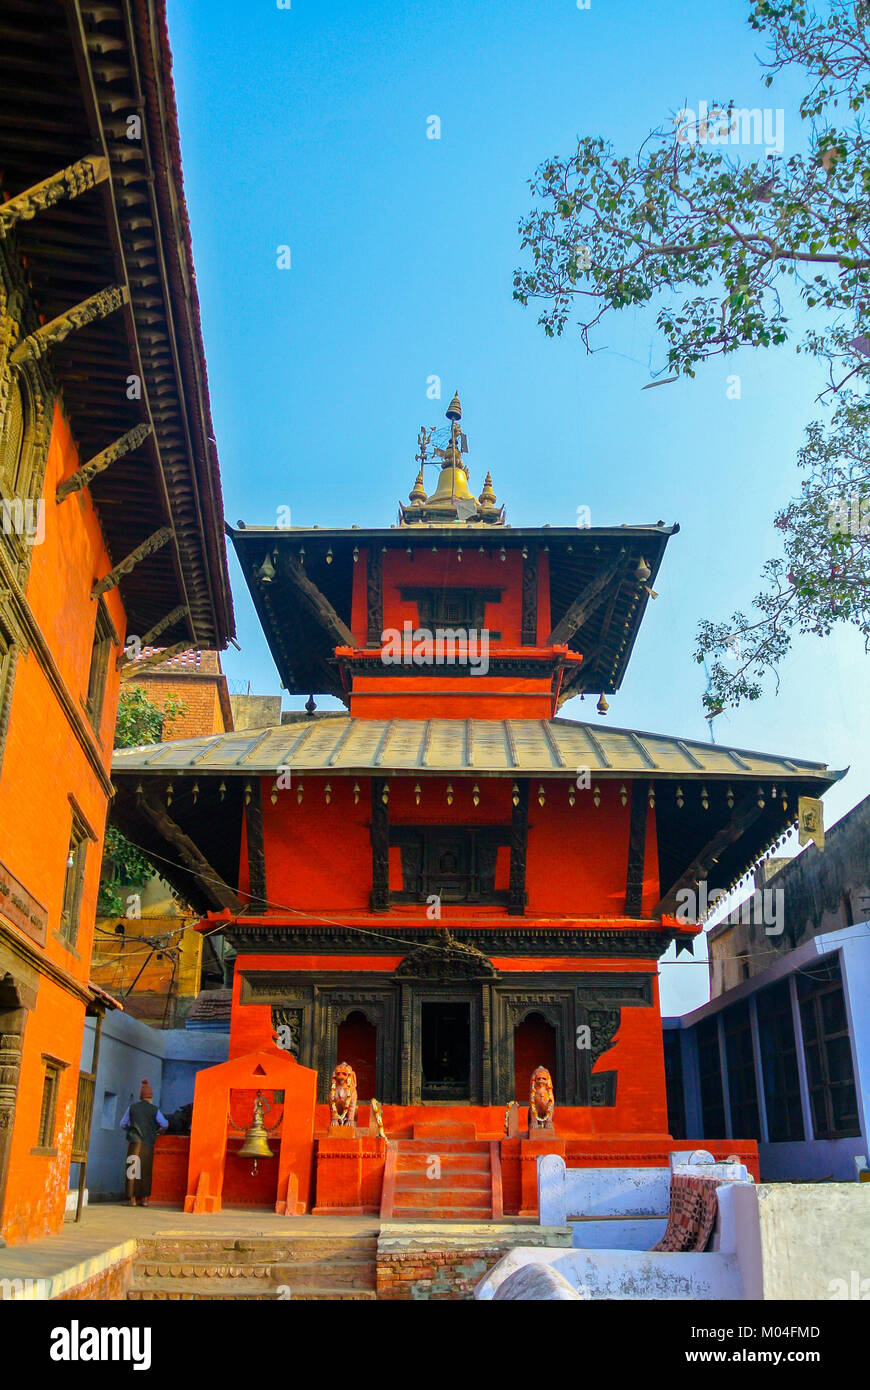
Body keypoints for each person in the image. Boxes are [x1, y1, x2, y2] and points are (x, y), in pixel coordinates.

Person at [120, 1079, 168, 1206]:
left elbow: (123, 1123)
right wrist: (156, 1131)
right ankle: (145, 1200)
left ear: (141, 1096)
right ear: (151, 1097)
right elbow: (164, 1123)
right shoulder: (154, 1109)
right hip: (148, 1143)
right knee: (145, 1170)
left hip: (134, 1142)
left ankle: (132, 1200)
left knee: (132, 1169)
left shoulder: (132, 1107)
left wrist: (131, 1130)